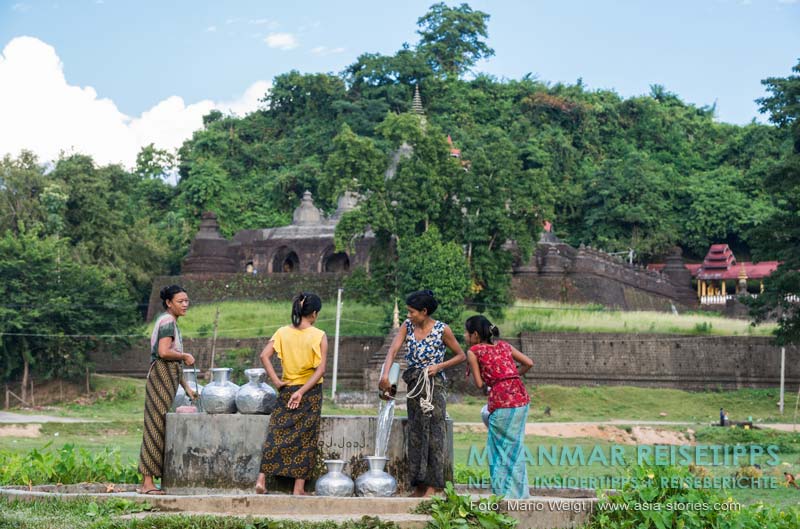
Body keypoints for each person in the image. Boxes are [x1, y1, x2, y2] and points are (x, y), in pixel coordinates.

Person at [378, 290, 466, 497]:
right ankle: (418, 484)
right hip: (414, 383)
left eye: (412, 312)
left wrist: (439, 366)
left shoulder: (442, 329)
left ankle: (433, 486)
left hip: (434, 384)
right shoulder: (407, 327)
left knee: (434, 433)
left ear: (424, 312)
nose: (409, 316)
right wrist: (385, 374)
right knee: (416, 433)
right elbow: (392, 351)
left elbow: (461, 355)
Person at [255, 292, 327, 495]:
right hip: (309, 392)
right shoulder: (319, 335)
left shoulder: (282, 332)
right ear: (314, 313)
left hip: (287, 389)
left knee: (277, 432)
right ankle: (298, 488)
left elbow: (264, 356)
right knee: (306, 438)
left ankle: (261, 479)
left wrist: (277, 381)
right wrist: (302, 392)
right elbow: (320, 370)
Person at [464, 315, 533, 499]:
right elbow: (529, 363)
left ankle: (505, 497)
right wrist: (510, 376)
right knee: (516, 447)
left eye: (466, 332)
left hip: (501, 402)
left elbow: (479, 384)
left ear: (476, 334)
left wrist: (498, 381)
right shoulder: (504, 345)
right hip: (521, 399)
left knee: (499, 451)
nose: (465, 336)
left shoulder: (474, 351)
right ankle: (521, 495)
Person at [138, 285, 196, 495]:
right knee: (155, 427)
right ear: (169, 303)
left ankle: (150, 481)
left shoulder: (170, 322)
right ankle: (147, 484)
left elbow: (171, 357)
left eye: (186, 301)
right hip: (160, 376)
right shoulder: (167, 322)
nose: (185, 305)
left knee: (160, 426)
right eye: (180, 301)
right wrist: (185, 356)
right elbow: (164, 352)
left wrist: (187, 388)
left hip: (168, 376)